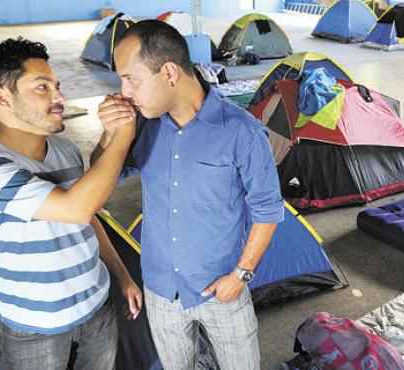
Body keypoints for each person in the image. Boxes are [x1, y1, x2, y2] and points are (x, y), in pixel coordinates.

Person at [93, 20, 284, 370]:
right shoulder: (143, 126)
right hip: (161, 287)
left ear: (168, 72)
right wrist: (109, 135)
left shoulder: (241, 132)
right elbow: (102, 179)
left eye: (130, 79)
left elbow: (268, 210)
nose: (124, 92)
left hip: (220, 288)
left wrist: (241, 274)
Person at [0, 37, 142, 370]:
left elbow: (86, 217)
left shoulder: (63, 149)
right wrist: (123, 136)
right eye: (42, 88)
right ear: (2, 97)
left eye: (57, 86)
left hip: (96, 308)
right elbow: (75, 206)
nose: (60, 98)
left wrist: (121, 276)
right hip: (35, 329)